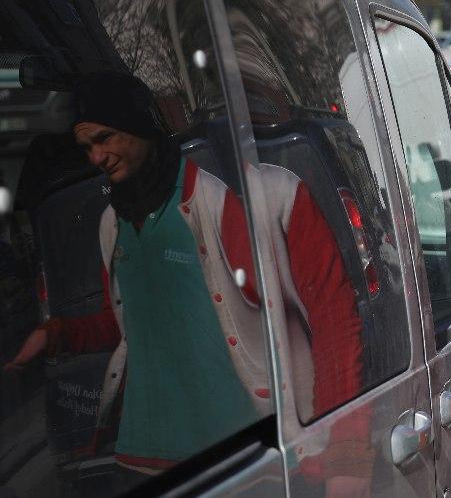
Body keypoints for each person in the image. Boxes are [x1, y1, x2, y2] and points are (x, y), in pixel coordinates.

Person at [3, 72, 370, 492]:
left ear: (139, 127)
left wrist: (348, 457)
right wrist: (58, 335)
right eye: (87, 147)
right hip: (137, 459)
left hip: (240, 463)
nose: (97, 157)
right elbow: (128, 328)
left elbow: (335, 321)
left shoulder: (258, 202)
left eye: (106, 138)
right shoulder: (111, 225)